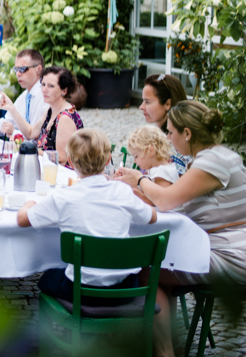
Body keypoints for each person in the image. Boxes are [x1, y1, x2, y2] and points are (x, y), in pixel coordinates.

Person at [113, 101, 246, 357]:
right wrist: (139, 193)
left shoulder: (212, 161)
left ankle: (164, 352)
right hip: (223, 246)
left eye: (171, 132)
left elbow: (166, 200)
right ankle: (170, 346)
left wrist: (139, 178)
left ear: (188, 133)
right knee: (160, 267)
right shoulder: (211, 158)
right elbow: (174, 206)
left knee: (147, 271)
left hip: (233, 254)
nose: (168, 138)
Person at [17, 129, 157, 306]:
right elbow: (151, 217)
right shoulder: (122, 191)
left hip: (81, 289)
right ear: (107, 161)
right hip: (124, 287)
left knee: (47, 278)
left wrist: (29, 203)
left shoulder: (63, 197)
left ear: (70, 161)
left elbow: (23, 220)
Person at [0, 66, 83, 167]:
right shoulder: (51, 109)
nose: (44, 90)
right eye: (43, 84)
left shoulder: (65, 117)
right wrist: (11, 108)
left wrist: (29, 148)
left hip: (63, 176)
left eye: (51, 86)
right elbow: (31, 133)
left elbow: (61, 159)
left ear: (64, 91)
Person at [0, 49, 48, 137]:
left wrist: (14, 132)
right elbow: (5, 125)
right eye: (16, 69)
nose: (18, 74)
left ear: (38, 69)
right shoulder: (25, 96)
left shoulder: (45, 96)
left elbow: (36, 137)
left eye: (22, 69)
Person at [140, 73, 189, 173]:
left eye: (147, 102)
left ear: (167, 104)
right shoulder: (160, 136)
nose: (141, 106)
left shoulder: (175, 144)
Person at [124, 125, 179, 194]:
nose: (134, 161)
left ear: (150, 151)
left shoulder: (160, 172)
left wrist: (137, 193)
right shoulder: (166, 167)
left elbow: (159, 198)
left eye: (136, 156)